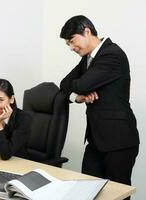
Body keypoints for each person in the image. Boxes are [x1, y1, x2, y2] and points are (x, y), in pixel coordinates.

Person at [59, 15, 139, 192]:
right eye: (68, 45)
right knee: (87, 191)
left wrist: (81, 87)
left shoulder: (112, 55)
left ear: (87, 31)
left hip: (119, 142)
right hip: (96, 141)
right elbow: (64, 83)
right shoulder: (88, 58)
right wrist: (77, 96)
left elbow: (80, 84)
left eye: (72, 41)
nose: (71, 48)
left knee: (117, 195)